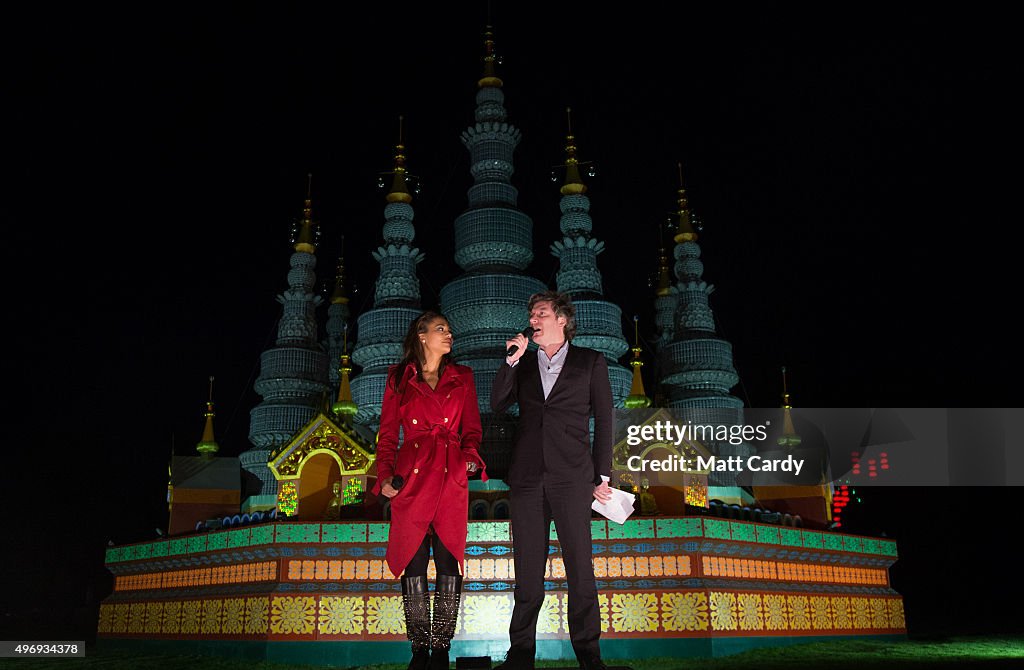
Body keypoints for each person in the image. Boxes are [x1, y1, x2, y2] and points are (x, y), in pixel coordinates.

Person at [490, 290, 613, 670]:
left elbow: (605, 419)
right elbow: (497, 403)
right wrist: (510, 362)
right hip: (527, 478)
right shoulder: (523, 364)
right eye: (531, 313)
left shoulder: (590, 362)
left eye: (540, 312)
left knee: (580, 568)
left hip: (573, 477)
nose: (533, 318)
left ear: (562, 319)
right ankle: (521, 653)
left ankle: (589, 654)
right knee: (527, 570)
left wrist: (602, 475)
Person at [372, 310, 487, 670]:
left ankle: (441, 648)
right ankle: (419, 648)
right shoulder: (398, 378)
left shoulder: (463, 376)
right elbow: (388, 434)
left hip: (450, 474)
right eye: (441, 329)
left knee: (450, 559)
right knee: (414, 560)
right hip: (412, 476)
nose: (449, 335)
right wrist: (385, 476)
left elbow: (472, 430)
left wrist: (469, 458)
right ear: (422, 336)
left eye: (450, 330)